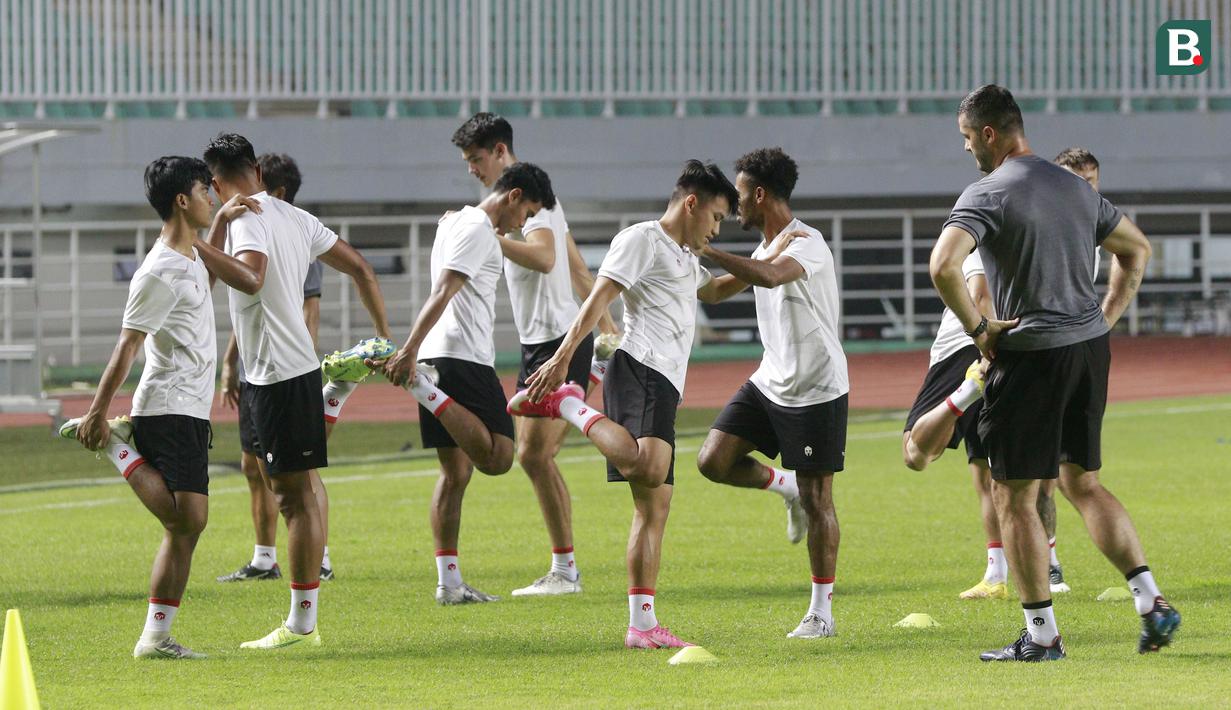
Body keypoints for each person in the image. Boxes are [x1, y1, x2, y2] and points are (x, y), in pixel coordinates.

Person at [931, 85, 1177, 662]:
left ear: (989, 133)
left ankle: (1041, 635)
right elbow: (1136, 250)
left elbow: (943, 264)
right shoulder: (1073, 186)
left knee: (1012, 493)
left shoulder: (987, 192)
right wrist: (1105, 316)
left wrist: (978, 328)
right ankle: (1150, 601)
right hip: (1088, 350)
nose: (968, 151)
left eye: (969, 140)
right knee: (1082, 482)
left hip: (1032, 353)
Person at [513, 160, 740, 649]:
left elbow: (717, 290)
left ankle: (641, 624)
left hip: (666, 383)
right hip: (640, 368)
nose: (717, 229)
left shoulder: (683, 257)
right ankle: (570, 405)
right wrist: (562, 359)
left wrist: (767, 263)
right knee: (651, 468)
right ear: (692, 203)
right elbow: (600, 296)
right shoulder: (642, 239)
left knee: (654, 506)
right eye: (717, 217)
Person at [59, 156, 260, 658]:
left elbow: (205, 286)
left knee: (186, 530)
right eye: (202, 189)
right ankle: (118, 449)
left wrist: (218, 224)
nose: (211, 193)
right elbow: (127, 347)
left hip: (189, 408)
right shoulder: (158, 271)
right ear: (180, 200)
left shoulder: (191, 256)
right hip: (167, 405)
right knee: (188, 519)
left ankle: (156, 637)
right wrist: (96, 413)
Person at [203, 133, 391, 650]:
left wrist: (201, 237)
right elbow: (362, 269)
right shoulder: (296, 217)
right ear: (258, 173)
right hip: (280, 373)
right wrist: (384, 338)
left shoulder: (243, 218)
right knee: (289, 490)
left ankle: (301, 625)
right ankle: (300, 619)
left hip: (279, 377)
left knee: (294, 501)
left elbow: (250, 276)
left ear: (217, 184)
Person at [451, 112, 620, 596]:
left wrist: (492, 238)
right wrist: (607, 328)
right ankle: (565, 566)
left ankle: (566, 571)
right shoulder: (538, 198)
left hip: (555, 339)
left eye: (477, 159)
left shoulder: (530, 204)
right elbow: (578, 268)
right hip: (545, 339)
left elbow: (547, 258)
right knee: (537, 455)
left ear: (501, 152)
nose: (471, 169)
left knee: (532, 454)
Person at [375, 162, 556, 605]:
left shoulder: (457, 220)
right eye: (527, 213)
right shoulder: (476, 226)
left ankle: (449, 583)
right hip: (462, 355)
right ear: (513, 196)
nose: (524, 224)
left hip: (442, 351)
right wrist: (410, 349)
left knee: (455, 474)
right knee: (498, 457)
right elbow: (445, 288)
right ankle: (423, 387)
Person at [694, 148, 849, 639]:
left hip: (816, 387)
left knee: (819, 497)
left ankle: (821, 613)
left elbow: (770, 275)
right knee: (712, 461)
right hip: (770, 381)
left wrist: (707, 250)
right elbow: (716, 291)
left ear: (759, 194)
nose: (735, 205)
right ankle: (782, 487)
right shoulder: (762, 247)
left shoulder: (807, 242)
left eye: (739, 195)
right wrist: (676, 258)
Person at [217, 152, 338, 583]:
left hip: (287, 369)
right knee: (256, 467)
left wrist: (305, 360)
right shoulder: (246, 227)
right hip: (257, 369)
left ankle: (317, 561)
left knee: (299, 475)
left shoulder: (294, 231)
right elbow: (250, 302)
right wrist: (231, 363)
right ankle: (264, 558)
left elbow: (307, 310)